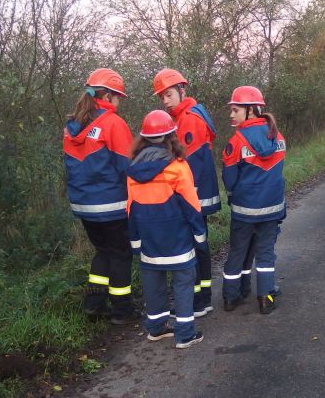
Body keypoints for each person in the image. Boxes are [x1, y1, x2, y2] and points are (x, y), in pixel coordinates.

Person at [63, 68, 137, 324]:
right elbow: (127, 166)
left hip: (83, 204)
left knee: (103, 251)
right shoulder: (113, 123)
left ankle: (94, 305)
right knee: (120, 253)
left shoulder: (71, 125)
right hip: (111, 204)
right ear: (107, 95)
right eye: (118, 97)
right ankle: (122, 310)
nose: (119, 103)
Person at [127, 110, 206, 349]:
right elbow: (192, 206)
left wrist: (136, 243)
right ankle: (184, 334)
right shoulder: (178, 167)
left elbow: (131, 209)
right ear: (172, 135)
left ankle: (156, 328)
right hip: (178, 239)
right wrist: (199, 236)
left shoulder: (132, 170)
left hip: (149, 241)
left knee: (153, 283)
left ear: (142, 139)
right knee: (183, 282)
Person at [152, 68, 221, 317]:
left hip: (193, 196)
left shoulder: (190, 118)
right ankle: (199, 297)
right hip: (192, 195)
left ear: (182, 90)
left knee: (196, 245)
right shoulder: (181, 117)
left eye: (168, 94)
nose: (165, 100)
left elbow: (191, 165)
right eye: (161, 97)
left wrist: (182, 198)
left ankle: (201, 300)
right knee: (195, 244)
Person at [221, 86, 286, 315]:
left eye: (235, 110)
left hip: (244, 210)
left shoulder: (236, 141)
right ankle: (266, 299)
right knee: (266, 253)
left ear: (251, 111)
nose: (231, 115)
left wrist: (234, 194)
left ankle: (230, 298)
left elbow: (229, 181)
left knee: (238, 252)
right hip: (272, 209)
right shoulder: (278, 137)